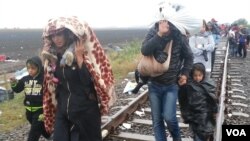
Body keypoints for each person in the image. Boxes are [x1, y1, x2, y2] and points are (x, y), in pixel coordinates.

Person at [41, 16, 116, 141]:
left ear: (66, 34)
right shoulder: (54, 57)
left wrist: (80, 60)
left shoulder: (80, 52)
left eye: (59, 34)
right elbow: (53, 84)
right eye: (53, 36)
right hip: (64, 110)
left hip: (84, 110)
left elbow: (88, 82)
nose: (57, 39)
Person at [140, 3, 196, 141]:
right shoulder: (153, 32)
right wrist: (159, 34)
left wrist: (184, 73)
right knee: (157, 120)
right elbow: (145, 50)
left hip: (171, 85)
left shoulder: (179, 35)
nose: (164, 20)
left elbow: (189, 57)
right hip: (154, 84)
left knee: (170, 118)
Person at [9, 56, 51, 141]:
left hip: (40, 111)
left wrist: (46, 111)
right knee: (40, 129)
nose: (30, 70)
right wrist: (13, 83)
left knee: (33, 134)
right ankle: (51, 137)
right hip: (29, 111)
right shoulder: (25, 79)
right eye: (28, 68)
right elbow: (17, 89)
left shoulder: (44, 79)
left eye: (33, 68)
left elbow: (50, 94)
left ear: (39, 68)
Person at [178, 63, 218, 141]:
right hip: (193, 115)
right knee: (196, 133)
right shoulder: (188, 86)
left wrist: (215, 110)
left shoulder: (208, 84)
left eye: (200, 75)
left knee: (204, 132)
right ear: (192, 75)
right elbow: (183, 100)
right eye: (195, 75)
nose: (197, 78)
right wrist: (184, 114)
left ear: (203, 75)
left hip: (205, 114)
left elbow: (212, 99)